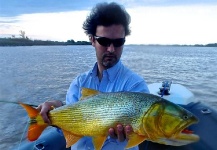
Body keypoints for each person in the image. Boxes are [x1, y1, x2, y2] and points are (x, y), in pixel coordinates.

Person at [37, 2, 149, 150]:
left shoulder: (135, 86)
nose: (111, 49)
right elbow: (70, 121)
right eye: (104, 41)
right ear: (92, 40)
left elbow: (145, 130)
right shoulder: (79, 83)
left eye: (118, 42)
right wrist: (56, 107)